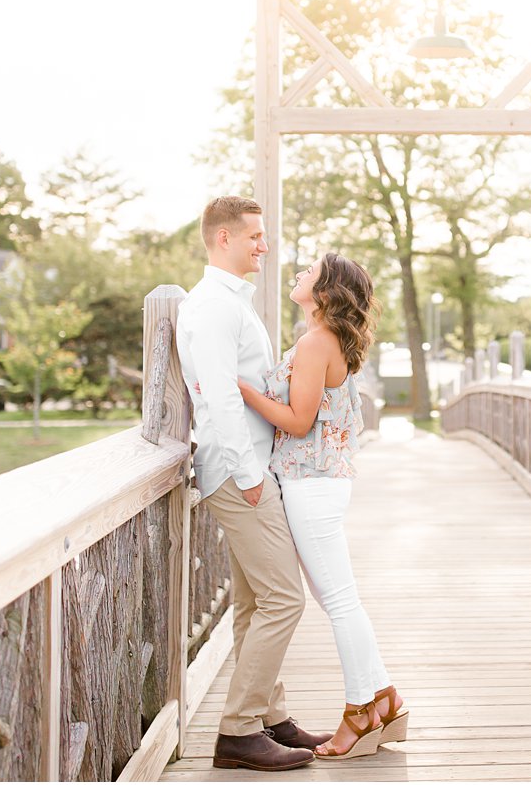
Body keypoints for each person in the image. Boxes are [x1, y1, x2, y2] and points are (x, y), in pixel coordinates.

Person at [176, 195, 331, 772]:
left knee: (253, 602)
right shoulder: (214, 307)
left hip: (248, 467)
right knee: (285, 598)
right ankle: (239, 730)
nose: (265, 246)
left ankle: (269, 716)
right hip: (239, 472)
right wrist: (248, 476)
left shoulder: (230, 302)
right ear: (223, 239)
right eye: (254, 237)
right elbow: (217, 395)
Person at [237, 251, 408, 761]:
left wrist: (242, 391)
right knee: (341, 599)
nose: (297, 274)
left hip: (311, 484)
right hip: (318, 482)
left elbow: (297, 420)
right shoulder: (323, 340)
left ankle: (361, 711)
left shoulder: (316, 342)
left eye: (308, 272)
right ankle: (384, 700)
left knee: (338, 602)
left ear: (327, 291)